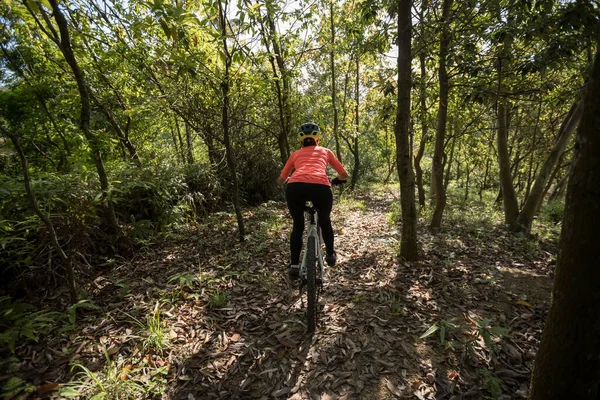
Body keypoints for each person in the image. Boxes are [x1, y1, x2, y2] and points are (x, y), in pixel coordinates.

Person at [278, 121, 348, 280]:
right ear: (318, 139)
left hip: (295, 187)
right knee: (325, 220)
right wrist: (334, 181)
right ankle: (330, 255)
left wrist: (289, 179)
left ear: (301, 140)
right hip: (321, 187)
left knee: (298, 224)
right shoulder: (326, 151)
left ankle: (294, 266)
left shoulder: (295, 154)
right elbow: (344, 175)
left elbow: (281, 180)